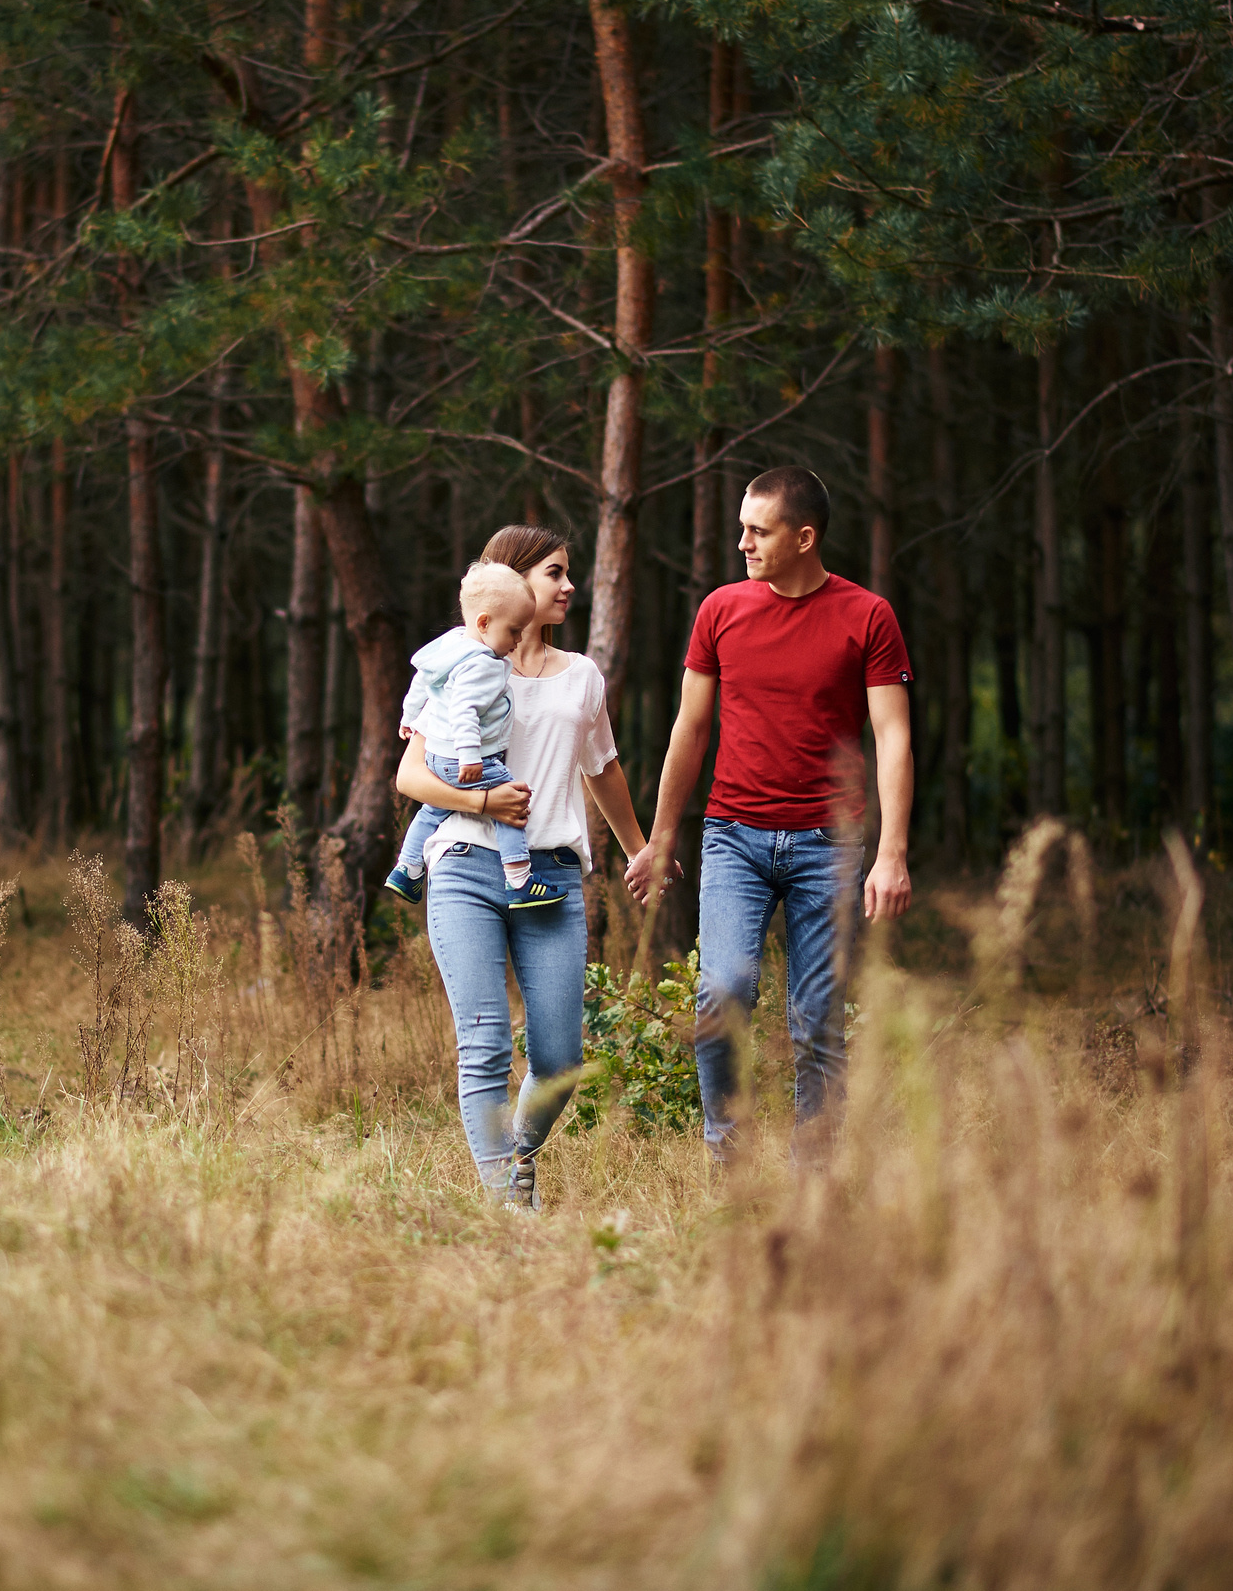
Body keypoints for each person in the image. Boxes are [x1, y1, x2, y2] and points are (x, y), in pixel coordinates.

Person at [625, 467, 914, 1165]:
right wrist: (661, 837)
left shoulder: (867, 615)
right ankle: (730, 1159)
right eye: (741, 528)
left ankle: (814, 1169)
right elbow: (690, 730)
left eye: (759, 530)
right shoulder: (720, 611)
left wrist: (891, 853)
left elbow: (893, 735)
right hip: (734, 839)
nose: (742, 543)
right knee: (721, 992)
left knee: (817, 1021)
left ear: (804, 536)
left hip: (830, 844)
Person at [397, 525, 651, 1211]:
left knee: (561, 1061)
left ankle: (516, 1154)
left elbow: (603, 769)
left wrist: (639, 848)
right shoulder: (457, 664)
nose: (570, 586)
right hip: (465, 867)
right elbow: (411, 775)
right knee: (481, 1046)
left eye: (570, 573)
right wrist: (482, 798)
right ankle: (508, 1205)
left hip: (553, 879)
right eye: (555, 572)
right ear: (513, 580)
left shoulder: (583, 677)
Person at [382, 562, 560, 910]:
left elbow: (423, 676)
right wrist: (470, 756)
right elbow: (465, 710)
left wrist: (409, 716)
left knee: (435, 806)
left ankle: (407, 868)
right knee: (510, 800)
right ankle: (520, 878)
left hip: (435, 754)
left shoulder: (451, 643)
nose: (518, 639)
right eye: (514, 630)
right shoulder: (484, 664)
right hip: (463, 756)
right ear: (484, 623)